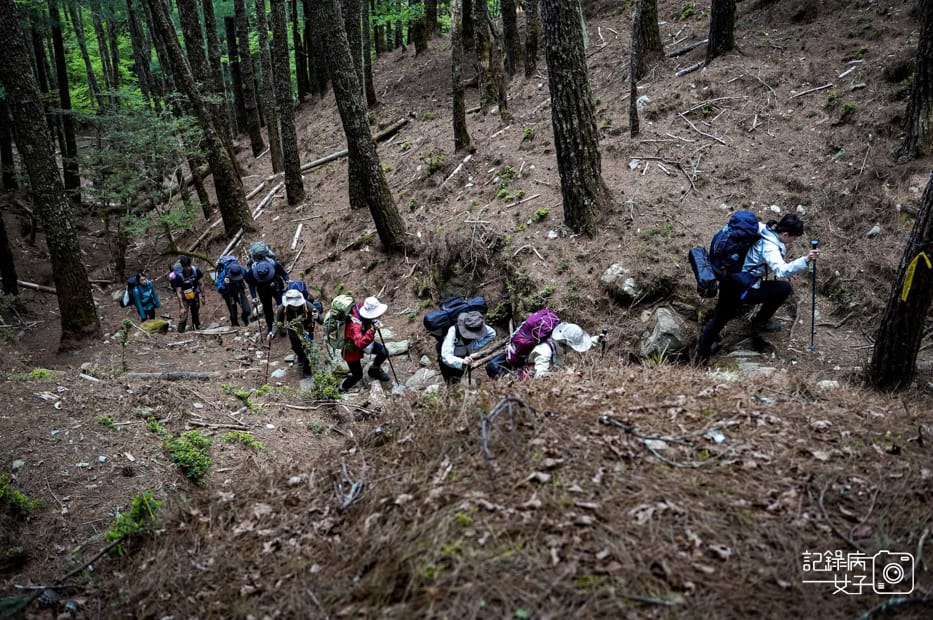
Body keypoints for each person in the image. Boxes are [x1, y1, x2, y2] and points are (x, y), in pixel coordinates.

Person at [694, 213, 821, 362]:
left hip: (729, 277)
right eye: (793, 238)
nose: (793, 241)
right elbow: (781, 270)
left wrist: (786, 267)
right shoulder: (771, 247)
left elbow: (768, 259)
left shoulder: (763, 228)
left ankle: (701, 354)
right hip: (743, 287)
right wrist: (805, 260)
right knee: (784, 289)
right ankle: (760, 323)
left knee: (720, 317)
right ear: (786, 234)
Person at [339, 296, 391, 393]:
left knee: (384, 352)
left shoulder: (361, 307)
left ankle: (374, 370)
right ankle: (342, 388)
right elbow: (360, 343)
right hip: (352, 350)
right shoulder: (354, 325)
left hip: (363, 338)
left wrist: (372, 322)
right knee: (357, 375)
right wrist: (372, 330)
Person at [268, 289, 323, 377]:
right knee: (296, 348)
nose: (295, 307)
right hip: (293, 331)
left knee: (307, 350)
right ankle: (300, 356)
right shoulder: (282, 308)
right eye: (293, 305)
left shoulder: (308, 306)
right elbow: (278, 322)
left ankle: (307, 370)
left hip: (307, 331)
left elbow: (321, 320)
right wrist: (272, 333)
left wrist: (317, 317)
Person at [438, 311, 496, 384]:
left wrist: (474, 347)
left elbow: (492, 334)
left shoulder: (478, 326)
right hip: (449, 361)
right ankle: (451, 388)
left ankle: (455, 386)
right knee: (450, 381)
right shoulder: (453, 330)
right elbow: (446, 356)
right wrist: (461, 362)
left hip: (463, 357)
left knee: (458, 378)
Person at [526, 322, 593, 378]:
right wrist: (565, 375)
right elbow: (539, 376)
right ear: (565, 344)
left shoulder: (557, 348)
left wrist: (598, 339)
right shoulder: (544, 351)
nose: (572, 351)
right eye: (572, 348)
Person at [246, 257, 289, 333]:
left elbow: (284, 273)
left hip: (276, 287)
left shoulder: (274, 264)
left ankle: (281, 326)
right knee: (267, 309)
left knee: (280, 307)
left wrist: (287, 280)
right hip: (263, 291)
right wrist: (254, 297)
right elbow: (251, 285)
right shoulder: (251, 271)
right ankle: (270, 327)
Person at [172, 255, 204, 333]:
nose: (188, 268)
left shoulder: (196, 271)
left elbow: (201, 283)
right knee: (184, 316)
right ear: (182, 267)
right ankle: (180, 332)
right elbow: (178, 292)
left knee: (195, 312)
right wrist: (181, 306)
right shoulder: (179, 276)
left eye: (188, 266)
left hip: (195, 294)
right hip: (184, 297)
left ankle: (196, 327)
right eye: (185, 267)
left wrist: (202, 296)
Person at [218, 262, 251, 327]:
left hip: (239, 289)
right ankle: (235, 324)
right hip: (229, 292)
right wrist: (224, 284)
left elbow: (248, 279)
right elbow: (219, 286)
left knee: (247, 309)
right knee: (233, 310)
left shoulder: (242, 270)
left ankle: (245, 318)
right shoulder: (224, 273)